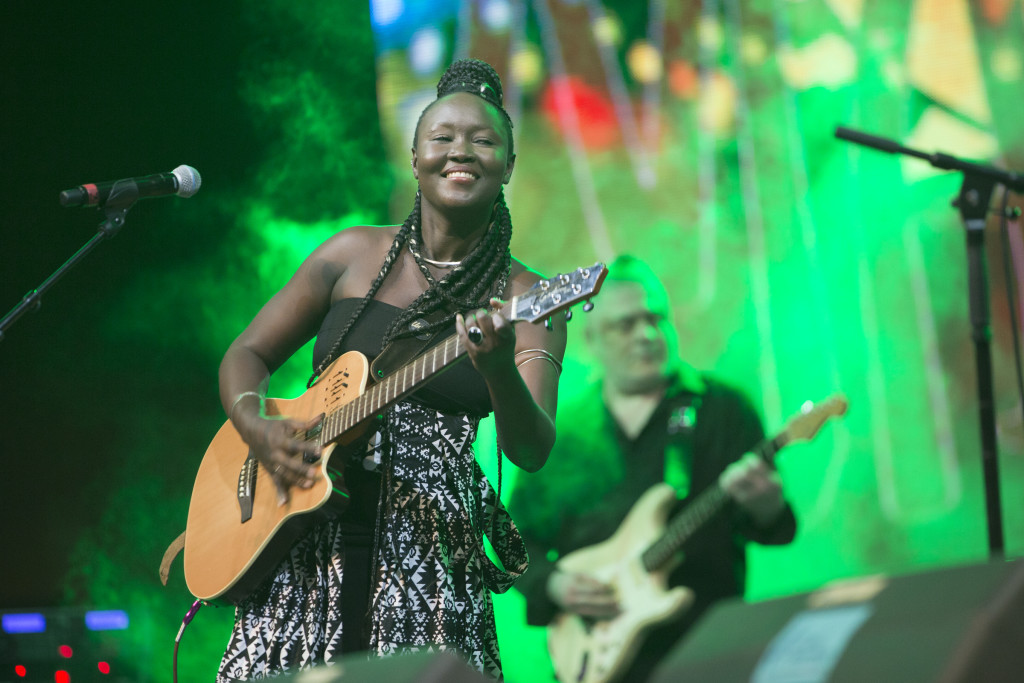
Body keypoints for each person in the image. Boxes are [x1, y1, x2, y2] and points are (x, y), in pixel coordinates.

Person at [215, 58, 567, 681]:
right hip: (303, 537)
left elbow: (532, 449)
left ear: (509, 166)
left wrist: (498, 371)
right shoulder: (351, 254)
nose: (462, 151)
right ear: (414, 156)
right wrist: (257, 426)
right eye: (443, 137)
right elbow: (247, 355)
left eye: (484, 141)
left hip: (428, 560)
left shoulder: (529, 298)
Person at [509, 254, 796, 682]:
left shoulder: (723, 409)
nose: (646, 334)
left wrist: (768, 506)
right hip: (596, 655)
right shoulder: (561, 429)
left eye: (656, 318)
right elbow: (510, 536)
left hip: (708, 650)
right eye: (625, 324)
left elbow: (773, 529)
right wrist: (552, 585)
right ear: (592, 339)